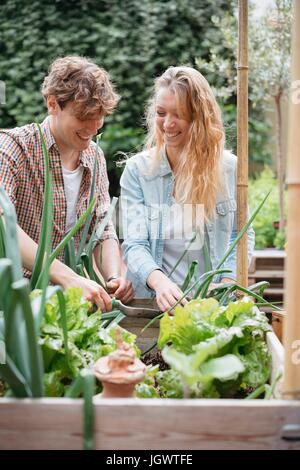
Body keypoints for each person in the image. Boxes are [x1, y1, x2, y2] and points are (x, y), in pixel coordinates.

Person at [0, 55, 133, 310]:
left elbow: (102, 227)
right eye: (84, 116)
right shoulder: (11, 148)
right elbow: (3, 225)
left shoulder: (94, 156)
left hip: (68, 307)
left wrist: (114, 276)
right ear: (52, 104)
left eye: (100, 116)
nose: (94, 127)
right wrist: (67, 276)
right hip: (13, 307)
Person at [120, 66, 255, 312]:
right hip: (152, 306)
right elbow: (134, 243)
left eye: (178, 114)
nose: (167, 124)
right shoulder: (138, 171)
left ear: (199, 118)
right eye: (161, 113)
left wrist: (227, 282)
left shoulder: (230, 169)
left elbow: (242, 234)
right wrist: (160, 282)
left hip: (211, 307)